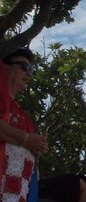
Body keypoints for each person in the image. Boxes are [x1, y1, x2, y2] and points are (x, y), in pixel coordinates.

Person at [0, 47, 48, 199]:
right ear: (5, 66)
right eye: (24, 67)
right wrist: (26, 139)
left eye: (31, 70)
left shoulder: (24, 116)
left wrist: (39, 147)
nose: (28, 74)